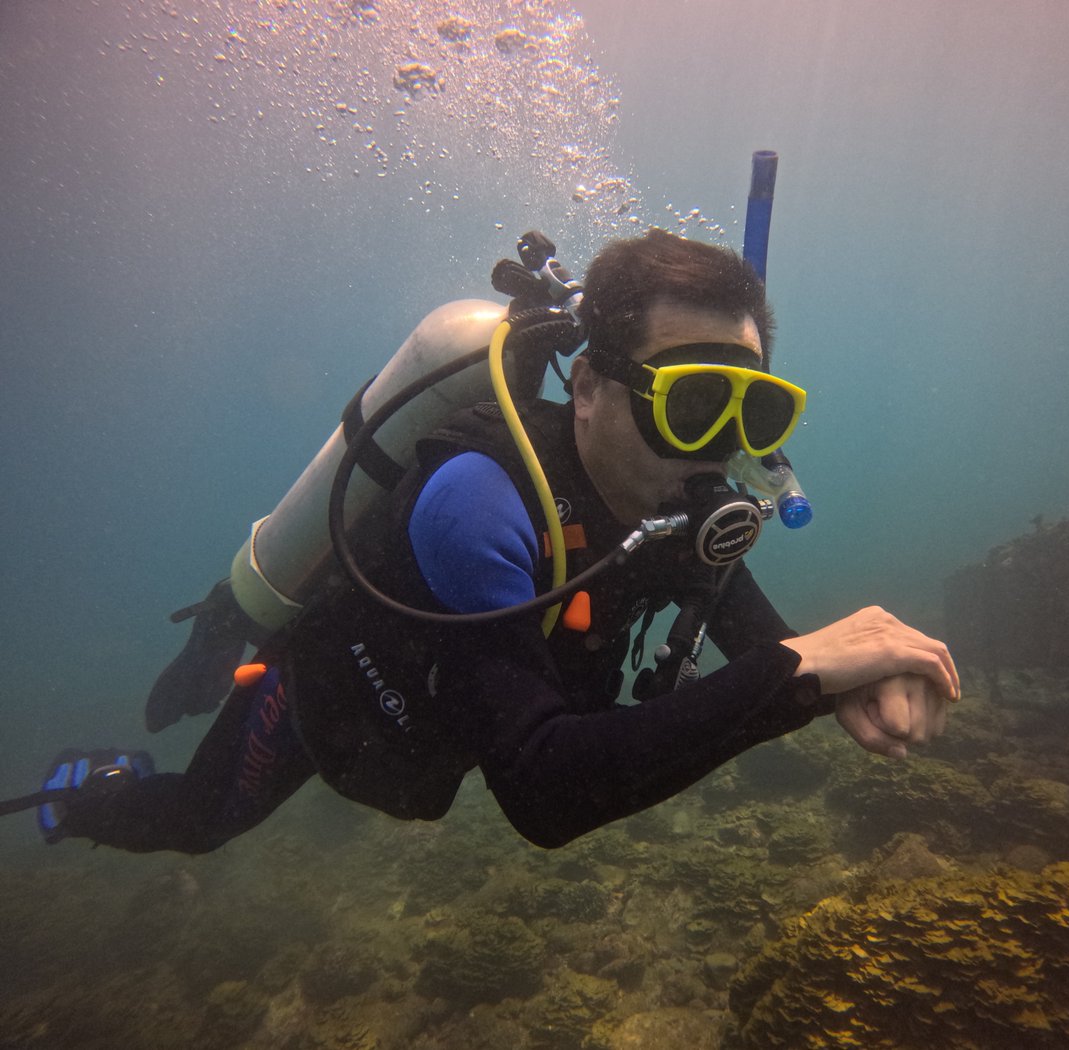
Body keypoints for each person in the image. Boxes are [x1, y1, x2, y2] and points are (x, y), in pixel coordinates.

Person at [37, 228, 958, 854]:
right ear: (589, 385)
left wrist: (851, 680)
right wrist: (804, 672)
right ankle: (83, 793)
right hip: (337, 707)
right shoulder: (479, 503)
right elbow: (545, 794)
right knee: (201, 819)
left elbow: (768, 645)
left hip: (450, 726)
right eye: (689, 403)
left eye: (749, 409)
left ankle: (206, 644)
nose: (719, 447)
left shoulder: (671, 498)